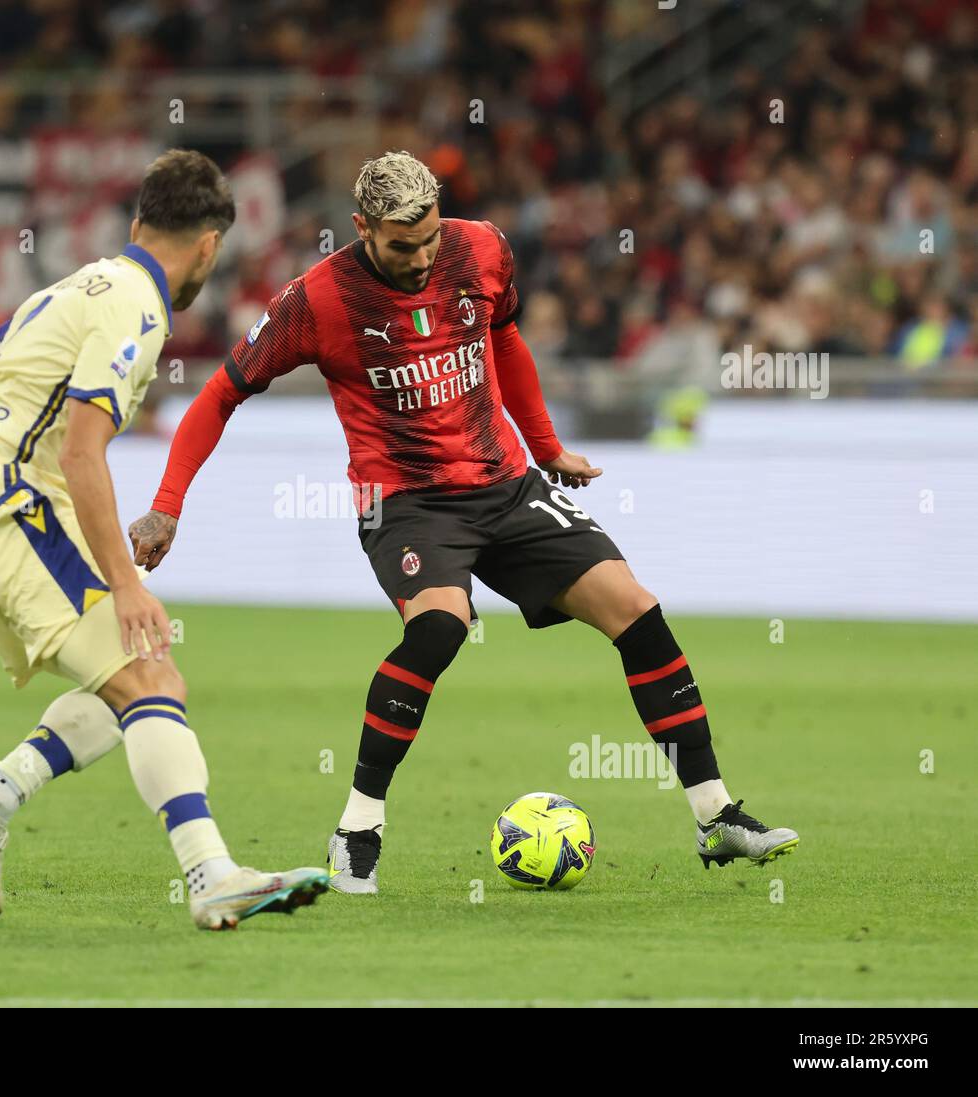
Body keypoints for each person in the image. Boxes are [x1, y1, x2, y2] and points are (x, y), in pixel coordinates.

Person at [128, 151, 799, 894]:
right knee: (442, 623)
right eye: (399, 245)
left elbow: (505, 338)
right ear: (361, 229)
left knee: (637, 611)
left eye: (428, 238)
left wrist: (547, 450)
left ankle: (716, 816)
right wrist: (167, 504)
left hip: (505, 485)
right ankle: (357, 830)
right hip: (407, 502)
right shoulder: (316, 300)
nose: (419, 259)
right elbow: (221, 392)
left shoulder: (482, 249)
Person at [0, 149, 328, 928]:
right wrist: (125, 580)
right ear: (209, 247)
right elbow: (84, 450)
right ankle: (211, 874)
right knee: (149, 683)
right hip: (7, 511)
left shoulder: (69, 287)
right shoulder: (136, 308)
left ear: (135, 225)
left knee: (144, 679)